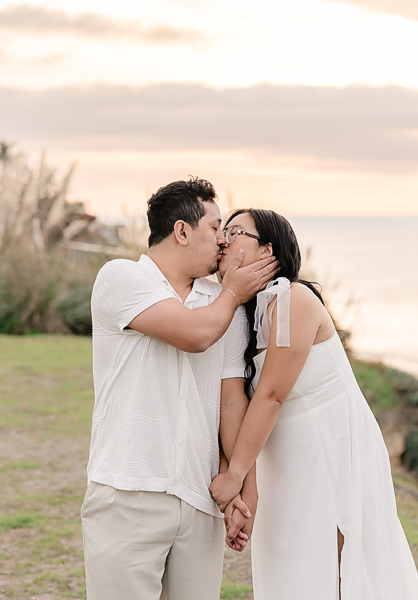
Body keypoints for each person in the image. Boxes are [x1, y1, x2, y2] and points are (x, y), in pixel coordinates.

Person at [210, 209, 418, 600]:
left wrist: (233, 476)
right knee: (293, 565)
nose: (223, 239)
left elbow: (271, 397)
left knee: (338, 568)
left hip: (332, 450)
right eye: (221, 232)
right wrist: (247, 487)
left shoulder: (294, 299)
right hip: (286, 461)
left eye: (235, 231)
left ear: (267, 251)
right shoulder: (244, 314)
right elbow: (234, 402)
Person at [81, 179, 278, 600]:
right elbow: (194, 335)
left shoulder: (221, 301)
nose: (223, 240)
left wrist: (242, 487)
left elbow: (231, 401)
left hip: (198, 498)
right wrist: (232, 293)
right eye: (215, 227)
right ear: (182, 231)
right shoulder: (121, 278)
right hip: (128, 493)